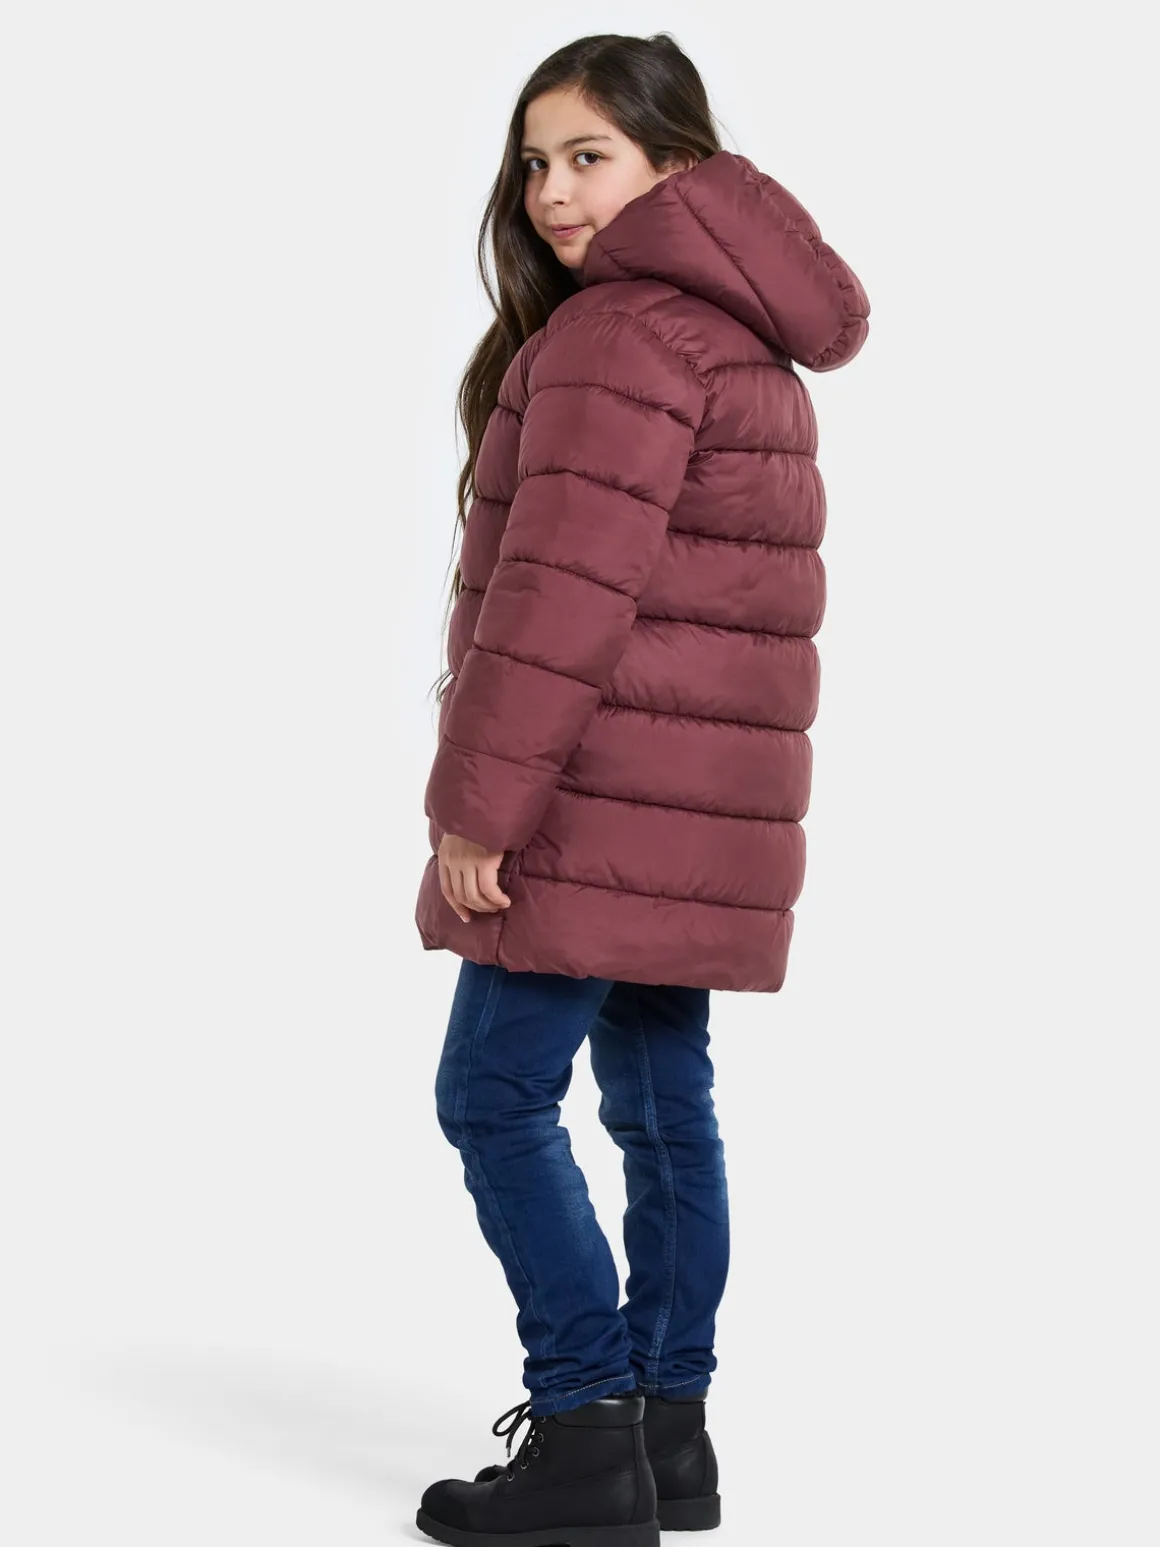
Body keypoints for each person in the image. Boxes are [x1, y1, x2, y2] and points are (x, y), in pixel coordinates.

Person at [413, 30, 871, 1547]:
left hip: (593, 798)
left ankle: (585, 1430)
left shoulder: (618, 335)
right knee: (664, 1102)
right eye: (534, 163)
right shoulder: (737, 338)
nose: (551, 192)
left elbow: (561, 598)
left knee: (492, 1093)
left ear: (678, 162)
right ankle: (672, 1434)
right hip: (697, 809)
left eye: (588, 156)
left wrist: (482, 805)